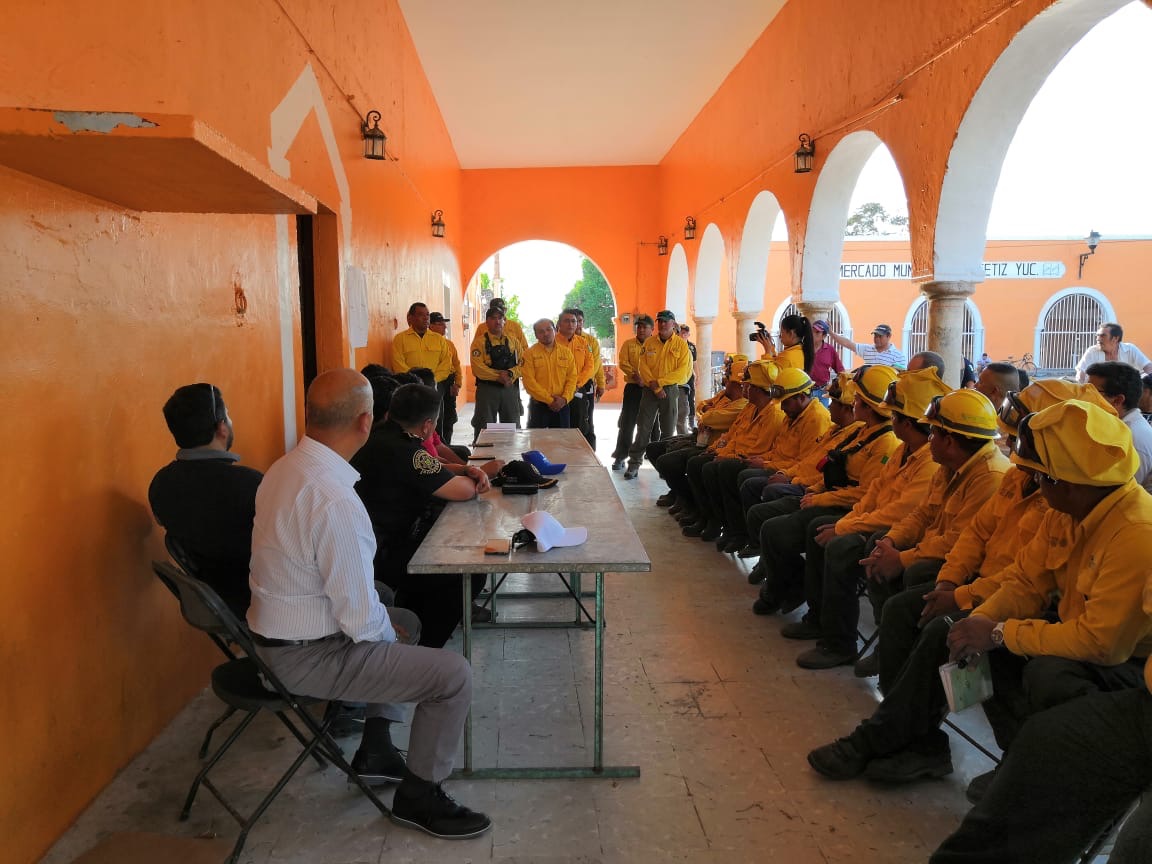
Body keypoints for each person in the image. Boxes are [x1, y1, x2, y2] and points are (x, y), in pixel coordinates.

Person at [808, 399, 1152, 804]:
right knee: (950, 632)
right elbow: (1026, 579)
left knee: (1044, 673)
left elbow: (1102, 643)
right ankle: (906, 738)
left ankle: (1027, 767)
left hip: (1119, 665)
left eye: (1041, 479)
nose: (1032, 484)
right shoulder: (1071, 509)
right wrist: (979, 620)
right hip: (1062, 626)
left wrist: (999, 631)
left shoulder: (1134, 531)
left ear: (1066, 484)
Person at [247, 369, 490, 839]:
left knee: (402, 616)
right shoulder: (335, 499)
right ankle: (420, 795)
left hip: (274, 635)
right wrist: (388, 639)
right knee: (451, 674)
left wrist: (386, 628)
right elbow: (361, 621)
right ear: (365, 421)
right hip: (304, 656)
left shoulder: (285, 468)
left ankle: (377, 744)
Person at [793, 368, 950, 669]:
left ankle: (841, 644)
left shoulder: (928, 460)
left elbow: (901, 513)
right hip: (884, 524)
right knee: (821, 529)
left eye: (894, 415)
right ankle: (818, 618)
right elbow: (875, 493)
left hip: (897, 532)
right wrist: (846, 522)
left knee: (843, 547)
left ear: (905, 422)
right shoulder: (904, 449)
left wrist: (845, 527)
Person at [352, 382, 490, 649]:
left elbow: (433, 467)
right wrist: (478, 476)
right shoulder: (407, 451)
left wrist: (465, 470)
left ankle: (411, 616)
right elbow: (462, 492)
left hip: (368, 544)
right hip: (384, 553)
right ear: (428, 426)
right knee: (467, 570)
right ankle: (426, 646)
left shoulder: (380, 437)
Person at [748, 365, 898, 609]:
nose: (852, 403)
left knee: (778, 528)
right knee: (770, 526)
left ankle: (792, 593)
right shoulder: (861, 433)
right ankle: (791, 583)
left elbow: (866, 493)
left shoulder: (886, 443)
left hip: (844, 506)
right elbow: (827, 465)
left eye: (857, 399)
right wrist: (813, 488)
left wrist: (821, 500)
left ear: (867, 407)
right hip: (828, 496)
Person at [148, 383, 262, 618]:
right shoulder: (252, 485)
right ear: (221, 428)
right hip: (262, 600)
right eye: (227, 415)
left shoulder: (160, 484)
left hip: (217, 602)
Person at [623, 310, 693, 480]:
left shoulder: (681, 346)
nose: (662, 324)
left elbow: (683, 372)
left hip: (669, 390)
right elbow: (643, 366)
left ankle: (664, 466)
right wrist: (655, 386)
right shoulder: (650, 343)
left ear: (673, 324)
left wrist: (660, 383)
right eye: (660, 321)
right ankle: (634, 464)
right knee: (643, 428)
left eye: (666, 321)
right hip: (650, 390)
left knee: (668, 430)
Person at [390, 302, 455, 439]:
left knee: (436, 427)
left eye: (427, 315)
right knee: (412, 427)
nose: (426, 318)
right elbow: (398, 364)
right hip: (411, 391)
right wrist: (417, 382)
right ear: (410, 318)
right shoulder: (400, 339)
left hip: (435, 387)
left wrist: (432, 381)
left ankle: (436, 453)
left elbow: (446, 363)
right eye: (420, 315)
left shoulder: (439, 340)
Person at [1086, 360, 1152, 492]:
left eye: (1090, 392)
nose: (1082, 397)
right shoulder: (1115, 425)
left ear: (1117, 400)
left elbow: (1116, 495)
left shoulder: (1133, 440)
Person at [469, 306, 525, 441]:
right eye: (493, 318)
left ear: (504, 321)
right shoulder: (479, 342)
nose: (497, 321)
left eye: (500, 318)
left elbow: (524, 363)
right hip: (487, 390)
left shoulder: (513, 341)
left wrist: (511, 374)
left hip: (509, 388)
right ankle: (483, 457)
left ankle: (511, 457)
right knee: (484, 426)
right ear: (487, 322)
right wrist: (499, 377)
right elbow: (478, 368)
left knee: (512, 425)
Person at [612, 314, 653, 470]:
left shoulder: (655, 345)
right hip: (633, 388)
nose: (641, 329)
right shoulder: (628, 344)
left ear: (652, 329)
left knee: (652, 424)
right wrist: (636, 376)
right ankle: (620, 456)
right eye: (639, 326)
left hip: (651, 388)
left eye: (645, 327)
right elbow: (623, 362)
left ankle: (652, 454)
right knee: (627, 423)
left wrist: (648, 379)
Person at [521, 318, 577, 429]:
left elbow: (572, 378)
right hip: (539, 406)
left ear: (555, 330)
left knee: (562, 442)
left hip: (562, 405)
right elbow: (529, 382)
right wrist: (550, 400)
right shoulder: (529, 354)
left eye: (548, 329)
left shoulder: (566, 352)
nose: (545, 334)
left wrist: (565, 399)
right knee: (538, 442)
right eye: (541, 331)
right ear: (536, 335)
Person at [556, 309, 596, 446]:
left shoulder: (584, 343)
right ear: (559, 324)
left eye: (573, 321)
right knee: (559, 425)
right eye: (566, 321)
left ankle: (580, 454)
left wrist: (576, 384)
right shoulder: (552, 342)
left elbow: (590, 366)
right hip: (557, 392)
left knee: (580, 423)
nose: (571, 324)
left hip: (578, 389)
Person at [1075, 322, 1152, 382]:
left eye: (1102, 335)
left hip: (1127, 392)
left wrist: (1143, 384)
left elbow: (1148, 367)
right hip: (1099, 393)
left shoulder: (1130, 349)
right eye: (1097, 335)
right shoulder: (1092, 351)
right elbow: (1081, 373)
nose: (1098, 339)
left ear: (1115, 338)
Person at [573, 308, 606, 447]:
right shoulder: (562, 340)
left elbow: (597, 364)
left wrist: (601, 384)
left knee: (588, 418)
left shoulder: (591, 341)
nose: (577, 324)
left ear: (583, 322)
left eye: (579, 321)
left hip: (587, 386)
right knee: (573, 419)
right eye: (574, 321)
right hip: (570, 387)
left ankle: (591, 451)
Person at [427, 312, 461, 445]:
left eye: (444, 324)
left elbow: (456, 364)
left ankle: (448, 444)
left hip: (448, 382)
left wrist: (457, 384)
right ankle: (438, 444)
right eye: (440, 324)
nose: (444, 327)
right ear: (431, 326)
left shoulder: (449, 344)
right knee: (437, 416)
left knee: (450, 417)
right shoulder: (427, 342)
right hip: (435, 381)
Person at [826, 322, 907, 368]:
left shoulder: (898, 356)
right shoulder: (867, 349)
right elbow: (847, 343)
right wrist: (831, 333)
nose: (877, 339)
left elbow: (900, 377)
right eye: (875, 336)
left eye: (880, 336)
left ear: (889, 336)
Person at [809, 319, 845, 403]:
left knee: (823, 416)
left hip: (823, 392)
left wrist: (834, 385)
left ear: (824, 336)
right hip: (805, 393)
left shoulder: (830, 350)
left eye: (817, 332)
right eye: (812, 331)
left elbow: (841, 372)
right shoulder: (803, 348)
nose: (813, 334)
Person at [677, 324, 698, 435]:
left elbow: (694, 363)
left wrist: (696, 376)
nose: (683, 334)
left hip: (689, 376)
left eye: (685, 333)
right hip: (678, 377)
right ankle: (681, 422)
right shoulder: (674, 344)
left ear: (689, 334)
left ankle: (691, 421)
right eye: (682, 332)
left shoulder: (692, 347)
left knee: (690, 398)